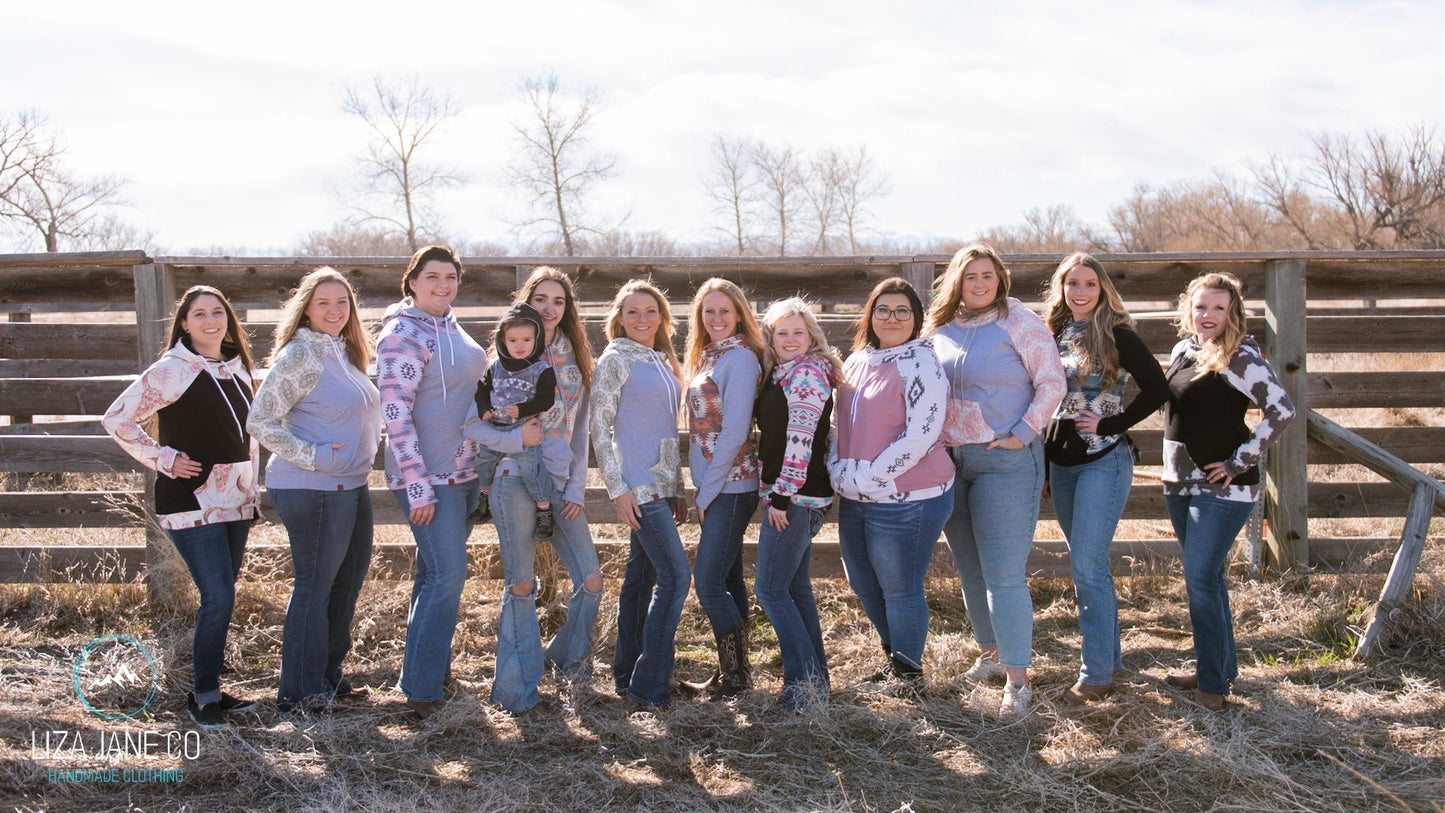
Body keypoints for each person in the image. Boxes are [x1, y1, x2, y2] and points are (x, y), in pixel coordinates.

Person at [103, 285, 261, 729]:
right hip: (192, 502)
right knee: (218, 597)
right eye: (200, 314)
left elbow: (246, 440)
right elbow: (116, 417)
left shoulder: (237, 370)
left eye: (218, 313)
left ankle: (210, 688)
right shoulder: (173, 370)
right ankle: (204, 696)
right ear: (185, 324)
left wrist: (253, 494)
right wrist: (164, 458)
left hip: (235, 502)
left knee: (222, 600)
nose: (211, 321)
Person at [926, 242, 1066, 716]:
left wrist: (1023, 433)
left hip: (1005, 460)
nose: (980, 283)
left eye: (987, 275)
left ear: (1000, 278)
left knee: (1003, 575)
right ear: (957, 283)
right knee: (969, 566)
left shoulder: (1021, 323)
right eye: (970, 277)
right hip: (952, 463)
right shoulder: (942, 327)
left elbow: (1052, 382)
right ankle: (988, 655)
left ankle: (1018, 681)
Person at [465, 267, 603, 714]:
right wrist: (514, 442)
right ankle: (514, 690)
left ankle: (563, 662)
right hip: (511, 479)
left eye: (558, 301)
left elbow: (579, 433)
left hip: (561, 482)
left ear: (567, 309)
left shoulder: (575, 361)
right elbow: (476, 428)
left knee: (591, 579)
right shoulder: (504, 361)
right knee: (521, 584)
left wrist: (577, 488)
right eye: (541, 299)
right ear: (526, 303)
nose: (549, 308)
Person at [247, 268, 382, 715]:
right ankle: (300, 693)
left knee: (346, 584)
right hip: (312, 486)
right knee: (315, 586)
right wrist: (315, 455)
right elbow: (260, 420)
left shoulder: (344, 351)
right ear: (306, 308)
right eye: (324, 303)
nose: (334, 311)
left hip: (351, 485)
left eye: (342, 303)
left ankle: (328, 677)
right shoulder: (301, 355)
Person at [1162, 272, 1294, 711]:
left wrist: (1240, 460)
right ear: (1189, 309)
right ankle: (1216, 667)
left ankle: (1213, 689)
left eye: (1219, 308)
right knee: (1210, 578)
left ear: (1233, 312)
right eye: (1202, 307)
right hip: (1179, 483)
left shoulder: (1241, 356)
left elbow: (1282, 410)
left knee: (1199, 577)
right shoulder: (1184, 350)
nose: (1209, 315)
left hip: (1224, 487)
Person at [1041, 253, 1169, 704]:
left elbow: (1158, 387)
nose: (1080, 292)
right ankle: (1110, 661)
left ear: (1102, 289)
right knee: (1088, 566)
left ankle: (1095, 677)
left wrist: (1113, 424)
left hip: (1102, 459)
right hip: (1061, 464)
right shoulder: (1051, 334)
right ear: (1061, 288)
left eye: (1089, 284)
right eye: (1072, 283)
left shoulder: (1116, 333)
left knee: (1088, 568)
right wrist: (1041, 462)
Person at [377, 245, 490, 719]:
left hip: (462, 473)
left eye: (450, 277)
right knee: (448, 576)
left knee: (432, 576)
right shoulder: (402, 334)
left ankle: (430, 669)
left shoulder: (452, 325)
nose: (443, 285)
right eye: (432, 277)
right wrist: (416, 482)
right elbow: (395, 412)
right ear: (412, 282)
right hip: (428, 478)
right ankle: (422, 692)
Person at [829, 277, 955, 694]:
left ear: (916, 318)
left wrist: (871, 476)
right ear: (871, 315)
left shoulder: (921, 362)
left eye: (903, 311)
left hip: (908, 497)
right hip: (856, 494)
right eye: (883, 310)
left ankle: (908, 673)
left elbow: (922, 432)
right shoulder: (857, 361)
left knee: (900, 588)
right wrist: (838, 468)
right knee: (863, 581)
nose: (892, 318)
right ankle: (894, 655)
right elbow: (836, 425)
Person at [591, 279, 689, 708]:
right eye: (633, 311)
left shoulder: (662, 359)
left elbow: (664, 428)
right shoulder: (616, 358)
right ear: (619, 318)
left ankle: (626, 669)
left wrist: (678, 488)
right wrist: (618, 490)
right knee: (676, 577)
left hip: (663, 485)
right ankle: (649, 686)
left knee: (641, 579)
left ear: (663, 318)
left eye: (650, 311)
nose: (642, 318)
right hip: (638, 487)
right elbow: (599, 427)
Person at [754, 297, 842, 711]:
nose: (790, 339)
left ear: (811, 337)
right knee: (795, 588)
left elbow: (800, 440)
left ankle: (802, 689)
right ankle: (816, 683)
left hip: (797, 497)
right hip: (799, 494)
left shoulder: (807, 372)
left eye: (798, 332)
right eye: (781, 332)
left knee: (770, 591)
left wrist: (780, 495)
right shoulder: (783, 373)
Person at [680, 278, 765, 699]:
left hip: (732, 485)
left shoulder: (741, 359)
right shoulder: (707, 357)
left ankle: (735, 676)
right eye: (708, 311)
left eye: (724, 311)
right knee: (728, 578)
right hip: (715, 485)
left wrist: (707, 490)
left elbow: (734, 433)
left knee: (708, 579)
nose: (716, 319)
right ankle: (733, 674)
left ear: (739, 316)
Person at [471, 302, 559, 540]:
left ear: (536, 339)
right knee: (484, 462)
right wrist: (484, 409)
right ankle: (485, 498)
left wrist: (522, 410)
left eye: (526, 340)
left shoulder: (542, 370)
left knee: (531, 471)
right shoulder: (494, 367)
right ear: (503, 341)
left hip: (524, 430)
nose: (519, 346)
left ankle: (544, 510)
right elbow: (481, 390)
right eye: (513, 340)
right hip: (495, 427)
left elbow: (545, 400)